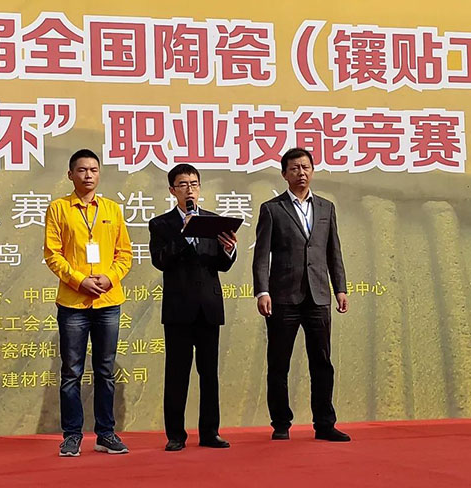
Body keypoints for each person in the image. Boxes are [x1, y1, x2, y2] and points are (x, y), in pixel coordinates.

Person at [252, 147, 351, 442]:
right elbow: (261, 256)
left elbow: (333, 251)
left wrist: (340, 288)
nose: (301, 173)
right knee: (278, 363)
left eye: (305, 167)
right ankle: (281, 423)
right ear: (284, 174)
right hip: (283, 296)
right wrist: (262, 291)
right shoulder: (272, 209)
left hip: (318, 296)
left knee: (322, 362)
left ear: (313, 171)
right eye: (294, 168)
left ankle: (324, 424)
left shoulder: (326, 208)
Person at [44, 149, 133, 456]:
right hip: (73, 303)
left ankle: (106, 434)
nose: (88, 175)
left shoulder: (112, 209)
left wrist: (110, 277)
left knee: (105, 370)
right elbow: (52, 254)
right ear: (70, 175)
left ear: (99, 174)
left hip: (108, 301)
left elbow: (125, 254)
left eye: (93, 170)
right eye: (82, 170)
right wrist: (79, 280)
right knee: (72, 372)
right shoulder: (59, 208)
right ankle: (72, 435)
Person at [148, 163, 237, 451]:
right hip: (179, 308)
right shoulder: (161, 224)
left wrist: (229, 250)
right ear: (172, 190)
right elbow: (161, 260)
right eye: (183, 184)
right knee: (177, 374)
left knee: (209, 375)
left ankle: (210, 432)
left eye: (194, 184)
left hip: (209, 307)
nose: (190, 190)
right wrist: (184, 235)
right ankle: (176, 435)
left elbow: (221, 265)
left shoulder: (213, 221)